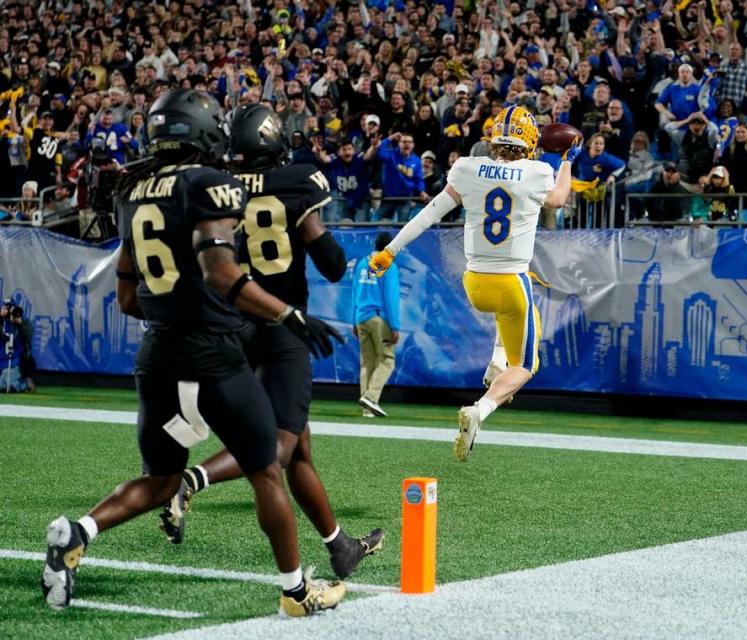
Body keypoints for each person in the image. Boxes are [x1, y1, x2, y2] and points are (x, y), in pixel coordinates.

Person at [41, 89, 346, 617]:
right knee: (266, 470)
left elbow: (128, 296)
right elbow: (221, 272)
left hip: (157, 355)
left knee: (160, 479)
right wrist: (288, 314)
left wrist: (174, 313)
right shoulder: (210, 184)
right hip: (214, 355)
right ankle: (297, 594)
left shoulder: (131, 192)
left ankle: (77, 532)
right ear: (205, 130)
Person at [158, 104, 383, 580]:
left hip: (234, 325)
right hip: (283, 324)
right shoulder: (299, 181)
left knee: (299, 447)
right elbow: (331, 263)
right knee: (276, 447)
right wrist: (311, 230)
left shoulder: (218, 185)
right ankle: (192, 480)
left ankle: (340, 545)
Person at [368, 105, 579, 462]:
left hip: (475, 283)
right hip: (511, 284)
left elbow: (430, 212)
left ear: (493, 137)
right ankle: (480, 410)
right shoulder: (538, 171)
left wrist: (390, 250)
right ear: (529, 142)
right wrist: (568, 159)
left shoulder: (467, 167)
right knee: (525, 366)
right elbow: (558, 200)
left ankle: (497, 361)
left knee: (512, 310)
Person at [352, 232, 401, 418]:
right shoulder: (389, 266)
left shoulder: (361, 264)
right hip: (379, 318)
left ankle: (367, 408)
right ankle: (371, 398)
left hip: (361, 317)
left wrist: (353, 321)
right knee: (387, 360)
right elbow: (391, 298)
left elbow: (354, 294)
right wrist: (395, 326)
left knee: (367, 362)